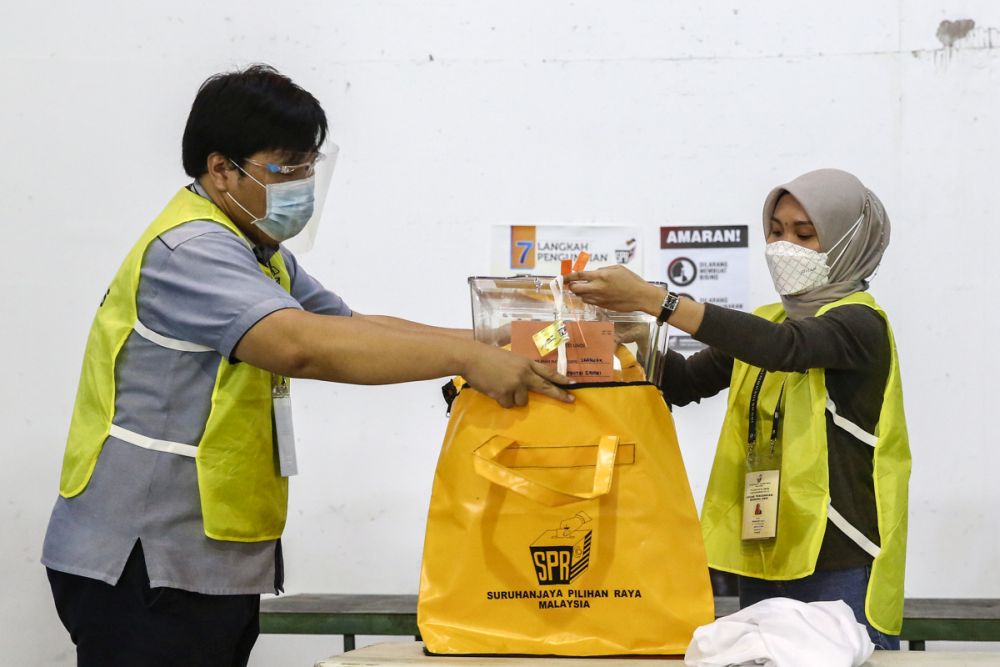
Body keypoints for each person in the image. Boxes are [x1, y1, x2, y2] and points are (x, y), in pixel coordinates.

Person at [42, 64, 572, 667]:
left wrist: (496, 340)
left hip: (200, 562)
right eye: (284, 166)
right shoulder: (192, 250)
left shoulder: (256, 250)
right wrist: (466, 358)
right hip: (143, 559)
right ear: (221, 169)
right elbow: (300, 346)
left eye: (308, 165)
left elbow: (348, 327)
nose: (301, 182)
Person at [565, 168, 910, 650]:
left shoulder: (859, 324)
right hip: (764, 543)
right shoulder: (767, 321)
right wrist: (633, 339)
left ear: (848, 240)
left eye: (804, 234)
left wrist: (653, 299)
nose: (783, 245)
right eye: (776, 230)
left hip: (839, 556)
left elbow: (784, 349)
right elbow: (683, 383)